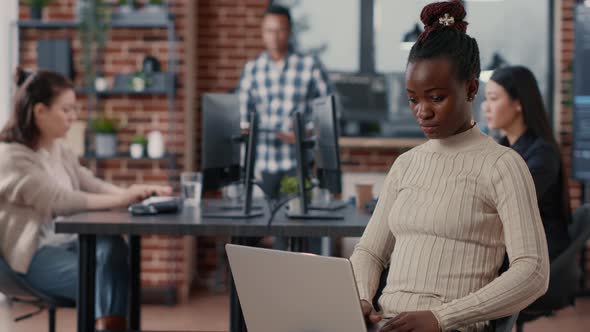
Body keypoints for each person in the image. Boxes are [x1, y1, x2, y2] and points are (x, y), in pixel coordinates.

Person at [349, 1, 549, 332]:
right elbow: (370, 251)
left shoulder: (503, 165)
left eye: (436, 98)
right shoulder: (406, 165)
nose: (422, 111)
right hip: (386, 325)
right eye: (414, 98)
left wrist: (442, 317)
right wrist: (360, 299)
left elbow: (534, 271)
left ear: (471, 88)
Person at [0, 69, 171, 331]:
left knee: (111, 244)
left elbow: (90, 183)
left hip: (67, 242)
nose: (73, 117)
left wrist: (138, 191)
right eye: (66, 110)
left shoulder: (58, 149)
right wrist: (124, 197)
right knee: (109, 281)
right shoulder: (11, 157)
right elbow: (57, 200)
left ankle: (107, 326)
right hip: (33, 254)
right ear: (40, 112)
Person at [238, 4, 333, 199]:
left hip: (297, 164)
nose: (274, 35)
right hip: (264, 165)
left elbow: (330, 110)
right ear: (263, 32)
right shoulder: (252, 69)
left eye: (280, 30)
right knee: (264, 224)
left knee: (296, 225)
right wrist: (244, 127)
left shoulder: (309, 65)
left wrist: (305, 130)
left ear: (289, 31)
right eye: (270, 30)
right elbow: (242, 114)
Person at [483, 65, 571, 261]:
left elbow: (507, 202)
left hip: (539, 253)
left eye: (493, 98)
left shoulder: (543, 153)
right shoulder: (502, 148)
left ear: (518, 103)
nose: (485, 106)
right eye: (486, 98)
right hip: (513, 245)